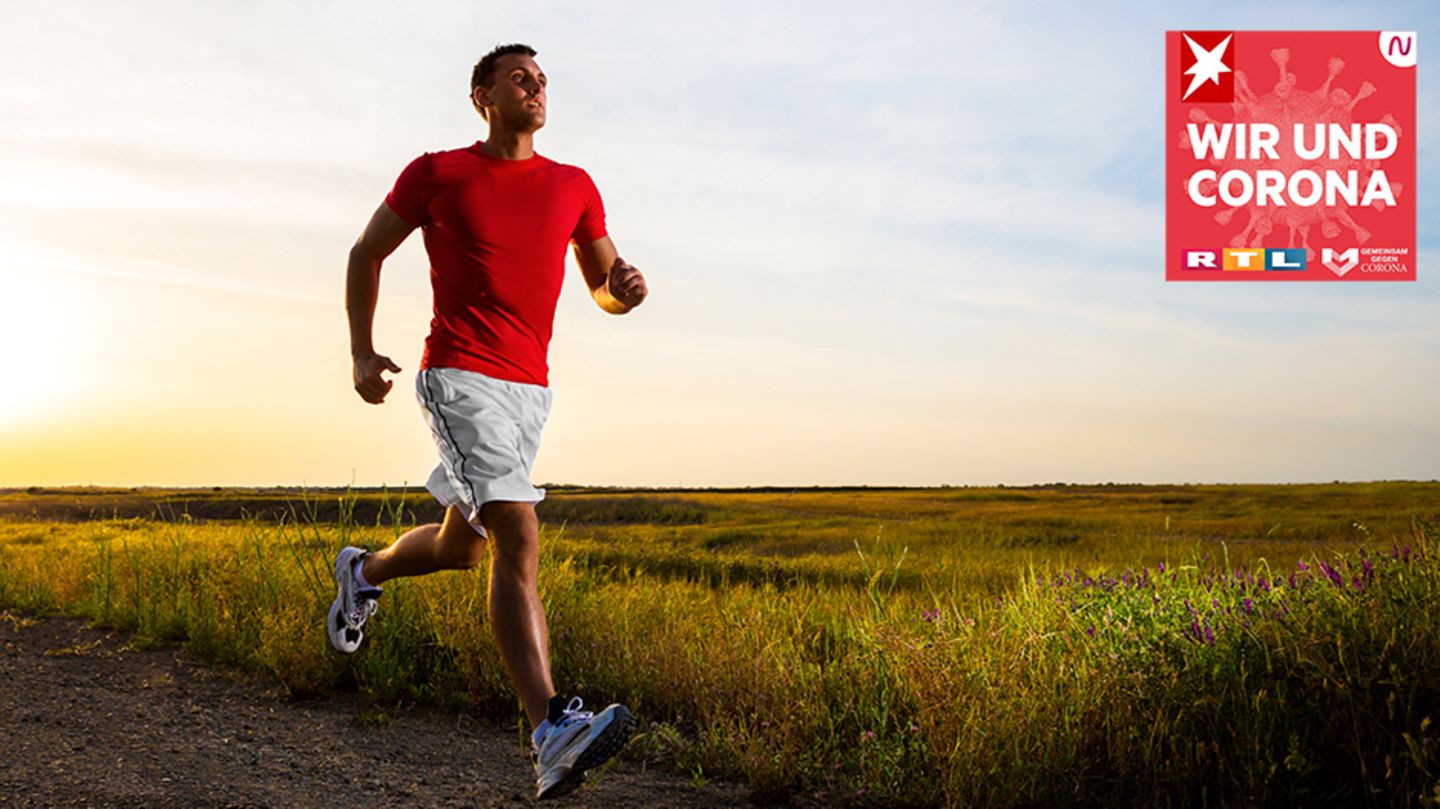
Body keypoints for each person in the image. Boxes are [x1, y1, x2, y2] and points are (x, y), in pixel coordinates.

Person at [329, 42, 648, 800]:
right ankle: (551, 729)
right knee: (520, 530)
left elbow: (601, 283)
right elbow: (365, 252)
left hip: (530, 390)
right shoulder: (437, 172)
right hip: (459, 375)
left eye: (543, 80)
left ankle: (361, 571)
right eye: (520, 78)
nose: (536, 88)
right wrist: (362, 352)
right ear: (483, 95)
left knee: (462, 548)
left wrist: (623, 292)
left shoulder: (573, 185)